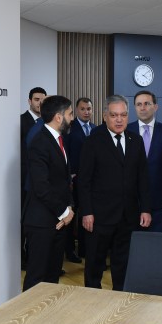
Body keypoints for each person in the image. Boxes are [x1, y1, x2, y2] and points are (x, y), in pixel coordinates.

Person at [78, 95, 151, 290]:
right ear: (105, 117)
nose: (119, 120)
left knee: (123, 264)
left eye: (123, 115)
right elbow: (84, 181)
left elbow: (143, 178)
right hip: (99, 216)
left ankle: (120, 300)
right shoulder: (93, 141)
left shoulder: (136, 140)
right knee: (94, 265)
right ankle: (93, 302)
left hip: (128, 216)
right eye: (114, 115)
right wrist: (87, 212)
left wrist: (145, 209)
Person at [22, 95, 74, 291]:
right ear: (59, 117)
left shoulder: (59, 139)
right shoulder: (40, 142)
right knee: (36, 279)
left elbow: (64, 181)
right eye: (70, 114)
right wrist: (64, 212)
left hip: (58, 221)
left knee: (52, 278)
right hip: (41, 222)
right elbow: (41, 187)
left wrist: (69, 208)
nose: (72, 118)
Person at [126, 91, 162, 232]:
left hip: (158, 201)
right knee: (131, 242)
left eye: (147, 104)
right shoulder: (126, 131)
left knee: (156, 242)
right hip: (130, 200)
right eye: (139, 104)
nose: (142, 108)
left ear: (155, 107)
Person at [65, 97, 95, 262]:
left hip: (91, 181)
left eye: (88, 109)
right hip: (73, 180)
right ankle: (70, 251)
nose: (86, 112)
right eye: (83, 109)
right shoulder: (69, 128)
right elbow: (65, 154)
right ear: (77, 110)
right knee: (72, 215)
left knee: (87, 213)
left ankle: (85, 249)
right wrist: (69, 175)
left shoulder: (96, 129)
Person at [20, 87, 47, 268]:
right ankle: (23, 259)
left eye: (43, 100)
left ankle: (35, 259)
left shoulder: (47, 122)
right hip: (26, 181)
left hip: (42, 182)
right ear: (29, 101)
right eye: (37, 100)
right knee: (25, 222)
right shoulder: (21, 121)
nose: (40, 103)